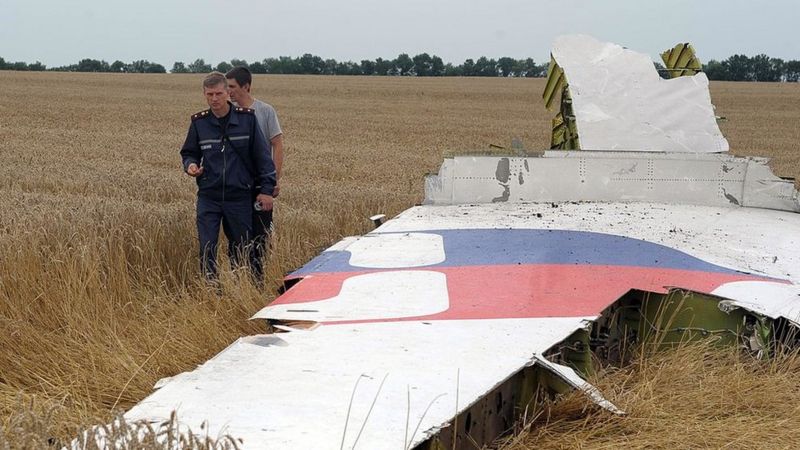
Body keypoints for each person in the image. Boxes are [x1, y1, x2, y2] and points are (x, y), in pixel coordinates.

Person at [180, 71, 276, 281]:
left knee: (242, 248)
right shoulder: (199, 123)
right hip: (209, 196)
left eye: (218, 94)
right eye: (209, 94)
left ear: (227, 93)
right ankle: (212, 290)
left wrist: (267, 190)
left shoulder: (247, 120)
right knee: (207, 247)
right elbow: (189, 153)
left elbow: (263, 158)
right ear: (204, 95)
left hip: (239, 196)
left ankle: (242, 287)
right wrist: (191, 165)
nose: (214, 99)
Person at [225, 66, 283, 280]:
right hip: (236, 185)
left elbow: (277, 144)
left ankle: (257, 279)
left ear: (246, 86)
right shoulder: (225, 112)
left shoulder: (265, 111)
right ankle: (237, 278)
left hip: (261, 185)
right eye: (226, 87)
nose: (228, 91)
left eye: (232, 86)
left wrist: (274, 179)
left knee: (261, 234)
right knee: (235, 236)